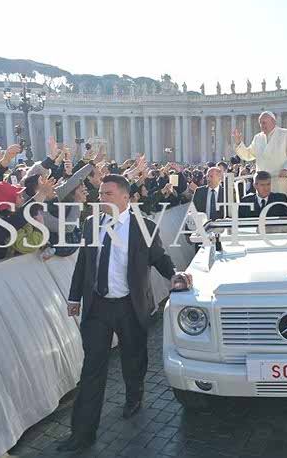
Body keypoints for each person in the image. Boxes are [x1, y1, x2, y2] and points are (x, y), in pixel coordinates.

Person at [57, 174, 192, 452]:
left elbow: (159, 258)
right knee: (92, 369)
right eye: (100, 193)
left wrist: (175, 275)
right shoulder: (91, 223)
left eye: (107, 194)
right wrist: (74, 297)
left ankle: (134, 395)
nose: (101, 198)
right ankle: (82, 434)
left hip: (131, 307)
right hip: (97, 308)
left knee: (134, 358)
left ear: (125, 197)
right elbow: (84, 263)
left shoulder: (144, 227)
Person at [232, 112, 287, 202]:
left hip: (281, 181)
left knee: (282, 207)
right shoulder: (257, 138)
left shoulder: (286, 134)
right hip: (262, 184)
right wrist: (238, 143)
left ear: (273, 121)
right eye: (260, 123)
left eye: (264, 122)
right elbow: (248, 155)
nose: (262, 125)